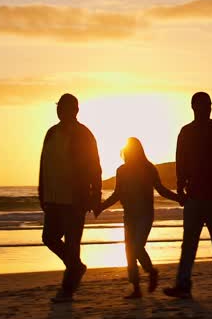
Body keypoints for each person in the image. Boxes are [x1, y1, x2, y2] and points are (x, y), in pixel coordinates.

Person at [164, 92, 212, 298]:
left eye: (209, 105)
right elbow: (181, 163)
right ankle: (184, 283)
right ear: (194, 107)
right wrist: (180, 188)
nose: (207, 108)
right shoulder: (186, 132)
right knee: (191, 241)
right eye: (204, 105)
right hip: (195, 195)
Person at [96, 137, 182, 299]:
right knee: (130, 251)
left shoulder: (148, 168)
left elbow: (161, 189)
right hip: (129, 215)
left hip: (145, 214)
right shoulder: (121, 170)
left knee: (136, 247)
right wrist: (101, 206)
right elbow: (117, 194)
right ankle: (136, 288)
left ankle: (151, 272)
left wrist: (179, 198)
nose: (128, 153)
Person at [38, 93, 101, 303]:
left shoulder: (83, 134)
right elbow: (43, 163)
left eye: (63, 107)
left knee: (73, 243)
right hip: (54, 197)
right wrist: (42, 191)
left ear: (74, 110)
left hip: (75, 198)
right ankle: (76, 267)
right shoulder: (51, 133)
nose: (59, 111)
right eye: (58, 107)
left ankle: (67, 289)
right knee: (49, 238)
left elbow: (94, 166)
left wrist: (96, 194)